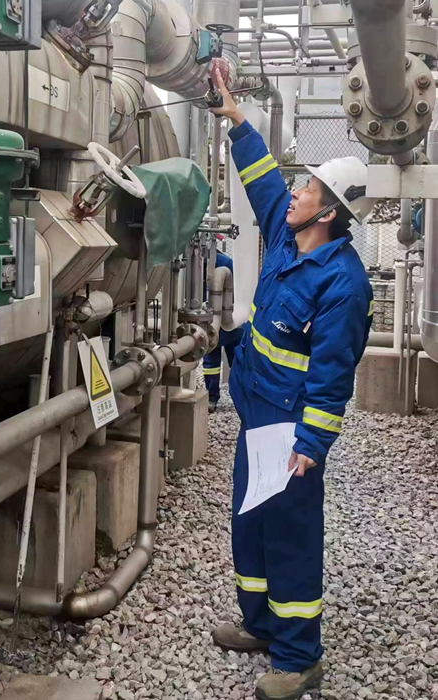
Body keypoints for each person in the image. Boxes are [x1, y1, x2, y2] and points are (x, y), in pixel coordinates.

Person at [210, 70, 375, 700]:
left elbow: (333, 378)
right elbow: (262, 181)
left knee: (290, 538)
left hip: (290, 429)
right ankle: (261, 624)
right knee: (250, 521)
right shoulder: (287, 233)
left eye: (308, 187)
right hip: (257, 412)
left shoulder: (344, 284)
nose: (296, 191)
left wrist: (312, 443)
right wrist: (235, 118)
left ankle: (300, 656)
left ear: (328, 212)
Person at [203, 248, 244, 413]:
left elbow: (238, 292)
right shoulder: (195, 265)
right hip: (210, 321)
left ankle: (240, 398)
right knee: (211, 363)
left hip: (229, 321)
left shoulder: (225, 264)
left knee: (237, 360)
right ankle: (211, 397)